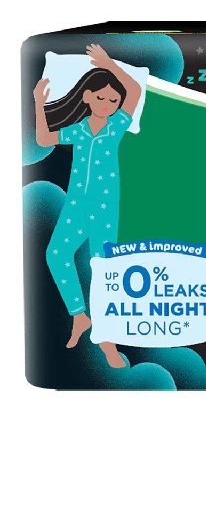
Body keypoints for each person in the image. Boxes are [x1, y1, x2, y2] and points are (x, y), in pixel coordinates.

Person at [34, 44, 142, 369]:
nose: (107, 104)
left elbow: (135, 91)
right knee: (56, 254)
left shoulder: (116, 126)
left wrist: (109, 63)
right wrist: (39, 102)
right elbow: (44, 139)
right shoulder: (78, 130)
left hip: (104, 205)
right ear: (87, 97)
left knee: (103, 269)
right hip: (75, 203)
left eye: (113, 100)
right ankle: (79, 316)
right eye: (101, 98)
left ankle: (107, 341)